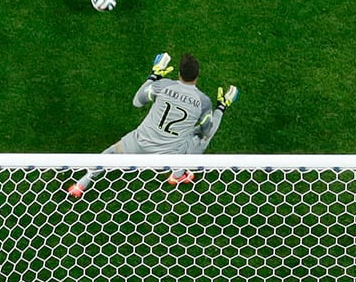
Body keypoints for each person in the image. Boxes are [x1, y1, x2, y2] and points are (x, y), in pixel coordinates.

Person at [66, 53, 239, 199]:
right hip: (168, 157)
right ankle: (177, 175)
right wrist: (221, 107)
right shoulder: (203, 102)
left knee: (110, 154)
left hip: (139, 143)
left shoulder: (163, 85)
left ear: (179, 73)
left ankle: (82, 184)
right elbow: (206, 131)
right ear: (198, 75)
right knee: (202, 137)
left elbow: (137, 101)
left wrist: (154, 75)